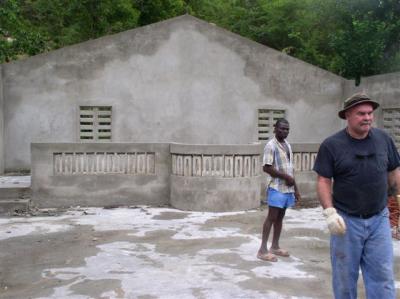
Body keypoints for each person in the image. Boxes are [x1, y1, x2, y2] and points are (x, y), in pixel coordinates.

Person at [313, 92, 400, 299]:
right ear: (348, 116)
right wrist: (330, 213)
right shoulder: (332, 145)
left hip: (379, 219)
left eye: (370, 113)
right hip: (346, 222)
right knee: (344, 280)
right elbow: (323, 181)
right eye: (361, 113)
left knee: (383, 277)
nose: (368, 117)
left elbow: (394, 171)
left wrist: (398, 199)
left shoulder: (383, 139)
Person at [257, 118, 301, 262]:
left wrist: (296, 189)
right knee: (271, 217)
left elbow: (290, 169)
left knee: (280, 218)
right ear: (275, 129)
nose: (284, 131)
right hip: (276, 188)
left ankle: (275, 246)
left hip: (287, 189)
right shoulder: (271, 145)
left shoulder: (287, 145)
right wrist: (286, 177)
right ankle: (262, 250)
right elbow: (267, 167)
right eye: (281, 128)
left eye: (287, 129)